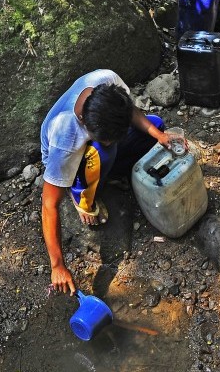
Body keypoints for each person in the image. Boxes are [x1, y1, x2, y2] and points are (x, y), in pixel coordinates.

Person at [40, 69, 171, 295]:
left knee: (155, 126)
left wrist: (159, 137)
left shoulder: (106, 80)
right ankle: (80, 193)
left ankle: (107, 169)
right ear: (86, 123)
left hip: (99, 143)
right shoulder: (66, 138)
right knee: (104, 152)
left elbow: (129, 111)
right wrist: (57, 265)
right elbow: (49, 205)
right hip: (73, 161)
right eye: (108, 137)